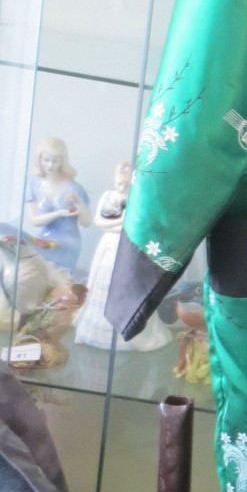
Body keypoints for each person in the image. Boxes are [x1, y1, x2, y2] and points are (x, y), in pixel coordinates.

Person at [73, 162, 172, 351]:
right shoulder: (107, 196)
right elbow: (99, 221)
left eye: (126, 183)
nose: (122, 186)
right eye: (119, 182)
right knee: (101, 282)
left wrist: (119, 223)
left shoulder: (137, 197)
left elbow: (135, 224)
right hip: (108, 245)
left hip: (127, 245)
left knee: (126, 282)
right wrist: (119, 222)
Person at [24, 138, 91, 276]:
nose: (50, 165)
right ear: (39, 159)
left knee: (57, 277)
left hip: (67, 243)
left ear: (62, 161)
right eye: (46, 160)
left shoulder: (74, 188)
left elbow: (87, 222)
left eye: (55, 161)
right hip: (44, 240)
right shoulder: (35, 185)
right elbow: (34, 220)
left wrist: (79, 203)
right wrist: (58, 213)